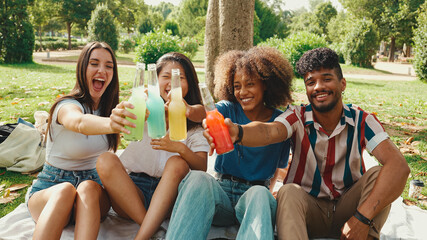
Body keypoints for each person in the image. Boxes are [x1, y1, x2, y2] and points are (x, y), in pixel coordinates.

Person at [213, 47, 410, 239]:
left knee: (379, 175)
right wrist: (238, 132)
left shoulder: (362, 120)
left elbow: (399, 167)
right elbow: (270, 131)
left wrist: (361, 218)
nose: (318, 87)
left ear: (342, 84)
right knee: (288, 191)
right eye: (311, 82)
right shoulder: (296, 116)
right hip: (308, 211)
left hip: (349, 210)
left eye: (326, 79)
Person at [166, 46, 294, 240]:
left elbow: (278, 170)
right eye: (236, 86)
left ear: (266, 84)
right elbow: (208, 113)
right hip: (222, 193)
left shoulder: (280, 123)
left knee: (260, 193)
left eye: (250, 84)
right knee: (197, 179)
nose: (242, 91)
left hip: (254, 196)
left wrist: (266, 195)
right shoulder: (228, 109)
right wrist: (190, 110)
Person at [96, 52, 209, 240]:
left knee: (177, 162)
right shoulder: (144, 110)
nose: (172, 83)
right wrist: (134, 111)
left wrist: (179, 148)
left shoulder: (193, 123)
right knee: (105, 160)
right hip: (132, 194)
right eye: (166, 77)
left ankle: (142, 236)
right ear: (154, 81)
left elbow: (202, 166)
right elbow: (119, 126)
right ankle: (150, 227)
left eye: (179, 78)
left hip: (170, 197)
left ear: (189, 85)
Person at [27, 41, 126, 240]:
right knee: (64, 190)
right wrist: (112, 124)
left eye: (109, 66)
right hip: (51, 186)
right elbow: (78, 122)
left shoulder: (108, 109)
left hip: (92, 191)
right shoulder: (66, 106)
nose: (102, 70)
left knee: (87, 187)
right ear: (82, 68)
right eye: (94, 63)